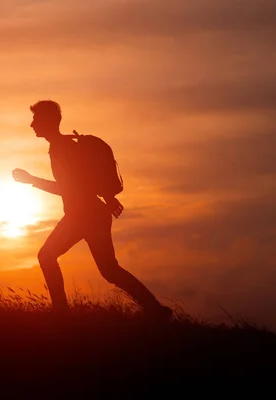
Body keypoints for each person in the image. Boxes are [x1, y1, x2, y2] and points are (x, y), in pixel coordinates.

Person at [12, 100, 172, 322]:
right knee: (109, 270)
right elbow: (84, 180)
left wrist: (32, 180)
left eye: (36, 119)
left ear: (49, 121)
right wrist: (107, 198)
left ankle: (60, 313)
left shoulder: (61, 148)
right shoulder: (66, 145)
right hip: (93, 214)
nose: (32, 125)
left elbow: (67, 188)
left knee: (47, 256)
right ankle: (156, 310)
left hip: (82, 216)